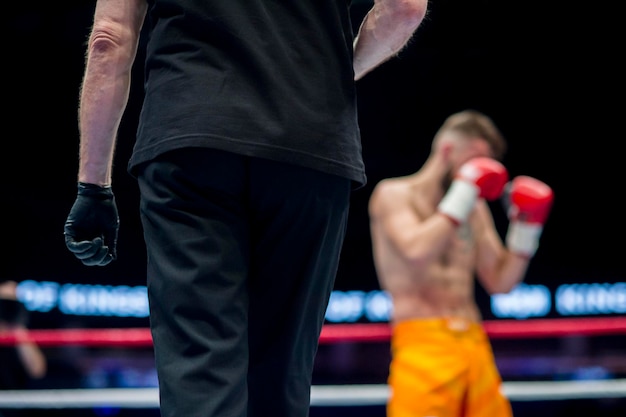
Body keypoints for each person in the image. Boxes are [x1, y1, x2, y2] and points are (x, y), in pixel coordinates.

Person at [62, 0, 428, 416]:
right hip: (309, 145)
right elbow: (405, 7)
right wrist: (329, 79)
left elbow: (109, 39)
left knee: (200, 371)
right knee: (281, 374)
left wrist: (93, 186)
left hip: (191, 140)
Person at [368, 109, 554, 417]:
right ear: (447, 150)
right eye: (476, 161)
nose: (484, 173)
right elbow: (416, 251)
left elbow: (501, 283)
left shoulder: (474, 209)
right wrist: (465, 191)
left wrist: (525, 231)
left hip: (474, 340)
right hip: (423, 342)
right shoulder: (393, 194)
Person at [0, 280, 47, 390]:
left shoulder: (19, 332)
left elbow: (37, 371)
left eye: (11, 304)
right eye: (3, 303)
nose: (6, 308)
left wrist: (18, 328)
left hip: (14, 401)